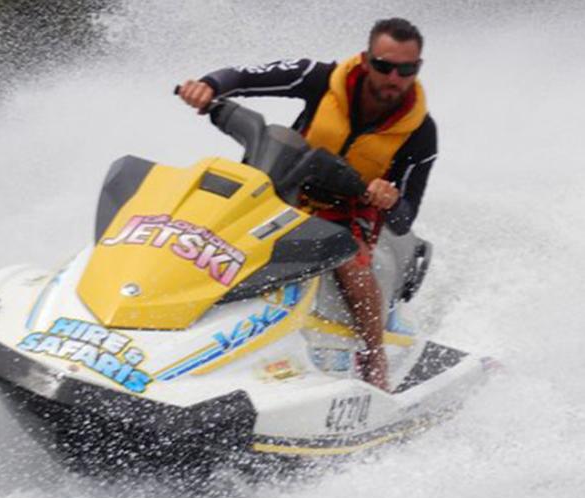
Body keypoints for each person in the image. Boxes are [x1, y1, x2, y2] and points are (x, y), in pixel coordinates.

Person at [177, 18, 437, 391]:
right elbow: (246, 76)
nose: (393, 78)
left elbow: (406, 215)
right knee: (208, 218)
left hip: (344, 213)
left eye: (406, 69)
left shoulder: (421, 133)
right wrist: (209, 86)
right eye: (383, 66)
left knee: (350, 262)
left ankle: (374, 354)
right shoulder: (320, 78)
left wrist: (391, 198)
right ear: (366, 61)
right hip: (283, 186)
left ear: (417, 69)